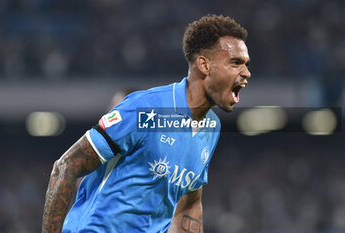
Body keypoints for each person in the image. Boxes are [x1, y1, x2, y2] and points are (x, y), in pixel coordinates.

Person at [42, 14, 251, 233]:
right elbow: (65, 167)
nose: (246, 73)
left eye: (246, 64)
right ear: (204, 65)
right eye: (235, 63)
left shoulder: (211, 128)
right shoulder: (146, 108)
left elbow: (189, 205)